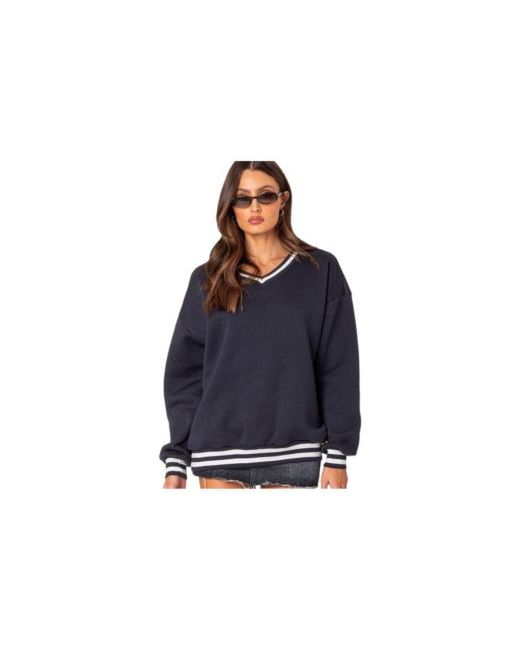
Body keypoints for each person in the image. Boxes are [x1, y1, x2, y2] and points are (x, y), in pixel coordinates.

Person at [160, 161, 361, 489]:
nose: (254, 207)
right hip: (217, 452)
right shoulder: (207, 279)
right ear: (231, 207)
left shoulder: (321, 271)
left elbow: (338, 366)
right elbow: (185, 375)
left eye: (265, 196)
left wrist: (338, 453)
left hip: (295, 451)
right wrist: (177, 459)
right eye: (243, 198)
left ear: (283, 200)